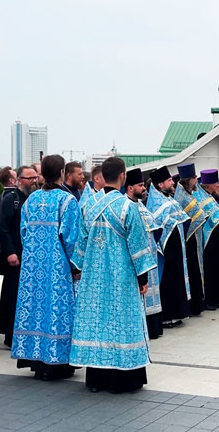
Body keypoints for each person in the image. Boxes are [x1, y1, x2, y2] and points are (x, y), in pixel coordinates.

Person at [70, 157, 157, 393]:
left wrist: (77, 268)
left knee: (98, 322)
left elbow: (80, 244)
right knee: (121, 321)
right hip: (122, 278)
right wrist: (143, 278)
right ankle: (123, 380)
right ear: (122, 177)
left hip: (93, 278)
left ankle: (97, 379)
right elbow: (138, 246)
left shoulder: (88, 206)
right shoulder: (128, 207)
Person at [11, 156, 78, 380]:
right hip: (57, 267)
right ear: (61, 173)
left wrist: (32, 255)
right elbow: (71, 238)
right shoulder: (67, 201)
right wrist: (76, 265)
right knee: (56, 310)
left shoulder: (31, 200)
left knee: (36, 309)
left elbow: (23, 233)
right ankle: (57, 364)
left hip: (32, 267)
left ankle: (36, 361)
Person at [0, 166, 38, 348]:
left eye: (35, 178)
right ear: (19, 180)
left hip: (30, 256)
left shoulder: (34, 199)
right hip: (15, 255)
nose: (34, 181)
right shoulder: (10, 199)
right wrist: (10, 252)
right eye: (30, 178)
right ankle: (9, 334)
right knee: (12, 295)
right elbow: (3, 228)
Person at [146, 166, 191, 328]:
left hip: (177, 247)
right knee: (167, 282)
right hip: (166, 250)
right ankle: (167, 316)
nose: (172, 182)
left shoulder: (170, 199)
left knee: (176, 280)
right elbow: (157, 227)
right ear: (160, 184)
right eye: (169, 180)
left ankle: (178, 313)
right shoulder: (155, 203)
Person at [125, 168, 163, 339]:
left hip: (149, 256)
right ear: (130, 187)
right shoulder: (126, 206)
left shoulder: (140, 205)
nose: (144, 188)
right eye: (140, 185)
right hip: (136, 261)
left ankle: (154, 328)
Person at [173, 164, 207, 316]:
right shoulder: (180, 197)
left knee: (196, 269)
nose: (196, 182)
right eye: (194, 179)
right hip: (188, 240)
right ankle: (193, 305)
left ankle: (198, 303)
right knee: (192, 270)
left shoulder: (190, 194)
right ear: (188, 180)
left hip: (195, 239)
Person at [196, 169, 219, 308]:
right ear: (209, 185)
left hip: (218, 242)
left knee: (218, 269)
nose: (218, 187)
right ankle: (209, 299)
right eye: (215, 184)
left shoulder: (211, 197)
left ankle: (218, 297)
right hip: (209, 242)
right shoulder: (200, 198)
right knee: (210, 271)